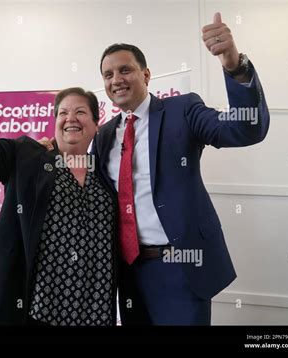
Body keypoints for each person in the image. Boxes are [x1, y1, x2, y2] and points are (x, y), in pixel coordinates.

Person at [91, 12, 269, 325]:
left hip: (181, 267)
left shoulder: (182, 109)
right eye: (107, 75)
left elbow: (245, 129)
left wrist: (233, 64)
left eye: (125, 70)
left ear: (146, 75)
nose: (115, 79)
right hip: (129, 271)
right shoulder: (105, 135)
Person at [0, 48, 118, 326]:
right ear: (55, 122)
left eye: (80, 112)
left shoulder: (109, 174)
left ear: (96, 125)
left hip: (93, 313)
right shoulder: (28, 157)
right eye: (63, 113)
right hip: (35, 311)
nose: (70, 118)